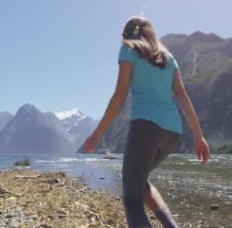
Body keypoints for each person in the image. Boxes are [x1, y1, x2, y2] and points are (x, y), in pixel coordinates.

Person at [84, 16, 210, 228]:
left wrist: (97, 133)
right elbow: (182, 95)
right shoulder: (169, 58)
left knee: (132, 199)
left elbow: (120, 95)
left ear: (127, 34)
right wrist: (199, 136)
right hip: (173, 132)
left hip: (146, 126)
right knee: (138, 180)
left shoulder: (129, 49)